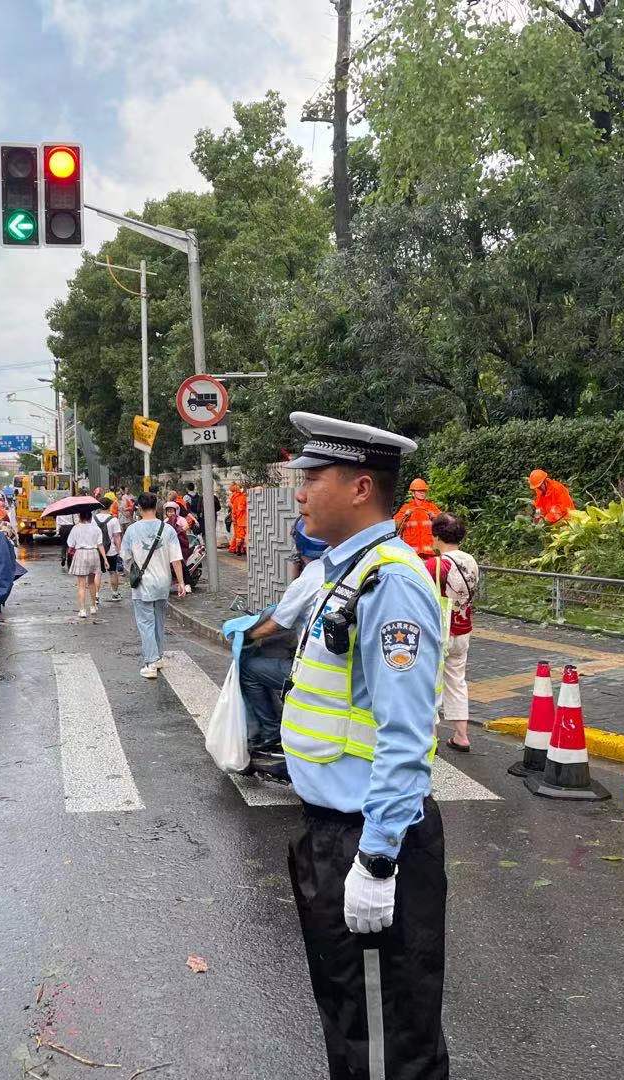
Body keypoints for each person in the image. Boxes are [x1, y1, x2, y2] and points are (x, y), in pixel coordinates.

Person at [279, 411, 449, 1079]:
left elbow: (406, 737)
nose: (299, 491)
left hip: (371, 842)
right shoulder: (344, 573)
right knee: (356, 1023)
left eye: (312, 477)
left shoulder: (391, 583)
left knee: (384, 1042)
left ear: (358, 487)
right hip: (332, 836)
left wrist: (378, 863)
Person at [225, 553, 328, 758]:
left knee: (248, 669)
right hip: (337, 669)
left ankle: (271, 733)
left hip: (316, 671)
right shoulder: (346, 569)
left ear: (300, 559)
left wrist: (248, 636)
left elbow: (277, 622)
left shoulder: (306, 581)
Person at [424, 513, 478, 753]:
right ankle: (461, 735)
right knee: (457, 681)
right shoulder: (471, 561)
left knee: (431, 683)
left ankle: (431, 736)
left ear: (436, 537)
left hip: (439, 631)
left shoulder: (435, 564)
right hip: (463, 628)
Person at [119, 492, 185, 679]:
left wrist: (131, 569)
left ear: (138, 507)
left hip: (143, 584)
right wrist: (180, 582)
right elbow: (176, 559)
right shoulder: (168, 530)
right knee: (159, 621)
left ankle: (150, 663)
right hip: (163, 583)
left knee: (145, 623)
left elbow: (125, 557)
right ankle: (158, 657)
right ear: (156, 506)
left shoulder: (132, 530)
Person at [65, 507, 106, 618]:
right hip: (94, 553)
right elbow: (100, 544)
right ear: (91, 517)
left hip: (81, 553)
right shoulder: (96, 528)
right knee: (91, 582)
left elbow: (70, 544)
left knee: (81, 585)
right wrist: (105, 559)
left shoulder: (76, 528)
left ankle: (82, 610)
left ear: (80, 516)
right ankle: (93, 606)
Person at [393, 476, 441, 556]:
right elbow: (395, 525)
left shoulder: (431, 507)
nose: (422, 493)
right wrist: (404, 516)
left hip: (430, 554)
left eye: (424, 491)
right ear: (413, 493)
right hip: (411, 554)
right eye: (419, 491)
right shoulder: (406, 508)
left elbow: (444, 523)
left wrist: (434, 517)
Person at [95, 497, 124, 603]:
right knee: (113, 572)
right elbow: (117, 537)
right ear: (110, 506)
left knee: (98, 573)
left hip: (97, 549)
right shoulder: (114, 520)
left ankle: (96, 596)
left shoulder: (94, 519)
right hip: (111, 551)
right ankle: (115, 594)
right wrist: (120, 550)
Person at [228, 482, 248, 555]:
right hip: (242, 519)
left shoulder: (234, 497)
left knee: (238, 535)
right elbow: (241, 509)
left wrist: (234, 517)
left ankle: (237, 549)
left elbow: (233, 509)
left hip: (237, 518)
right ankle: (239, 549)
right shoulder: (243, 497)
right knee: (241, 535)